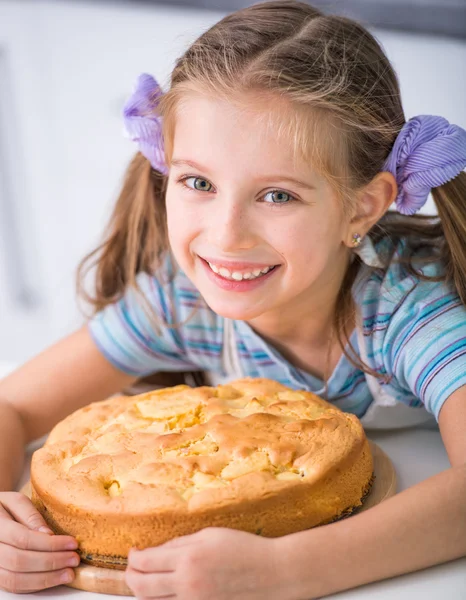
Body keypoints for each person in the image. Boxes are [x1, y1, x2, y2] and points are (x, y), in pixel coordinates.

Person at [0, 0, 465, 597]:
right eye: (198, 183)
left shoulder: (407, 311)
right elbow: (11, 406)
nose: (226, 235)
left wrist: (288, 570)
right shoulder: (179, 303)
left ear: (364, 205)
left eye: (277, 196)